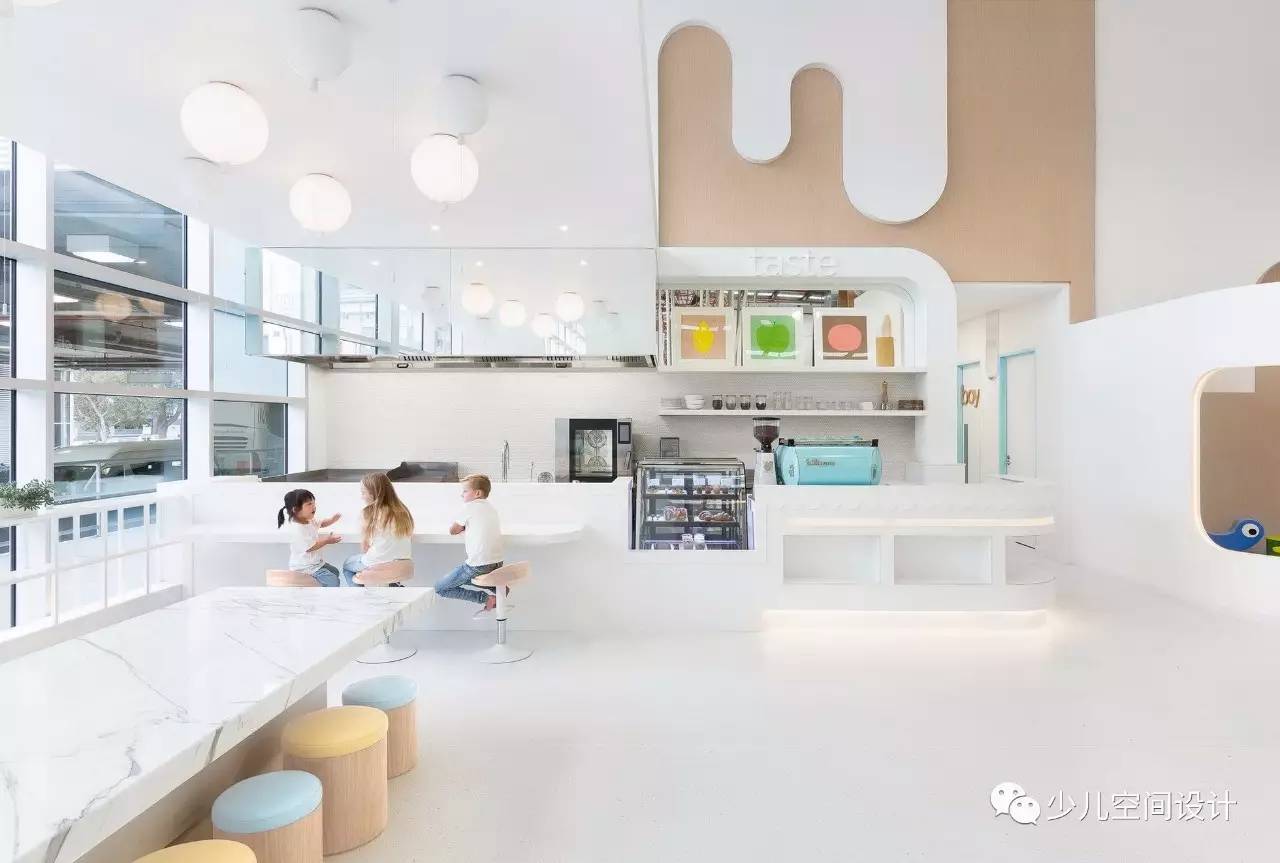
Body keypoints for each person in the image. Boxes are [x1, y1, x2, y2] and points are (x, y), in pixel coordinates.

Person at [435, 473, 505, 616]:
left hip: (478, 565)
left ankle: (486, 598)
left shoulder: (469, 507)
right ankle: (498, 588)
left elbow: (453, 530)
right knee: (463, 579)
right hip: (497, 563)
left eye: (465, 491)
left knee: (441, 588)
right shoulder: (492, 509)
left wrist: (463, 527)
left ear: (477, 493)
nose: (462, 494)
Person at [343, 472, 414, 587]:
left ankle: (359, 596)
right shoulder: (403, 511)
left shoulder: (369, 513)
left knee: (347, 565)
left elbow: (365, 548)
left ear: (373, 493)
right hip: (404, 564)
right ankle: (393, 585)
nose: (362, 497)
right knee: (386, 567)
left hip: (378, 563)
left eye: (363, 492)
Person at [277, 488, 343, 587]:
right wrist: (327, 540)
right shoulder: (298, 529)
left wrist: (332, 520)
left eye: (314, 503)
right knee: (333, 581)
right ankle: (326, 595)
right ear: (296, 510)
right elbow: (310, 547)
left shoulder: (309, 520)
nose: (314, 506)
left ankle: (321, 587)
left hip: (315, 563)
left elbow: (321, 523)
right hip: (304, 567)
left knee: (335, 572)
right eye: (309, 504)